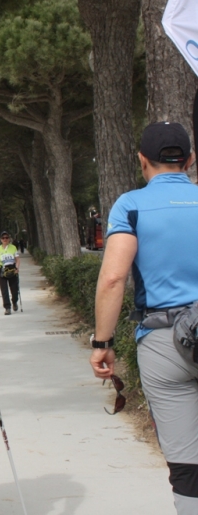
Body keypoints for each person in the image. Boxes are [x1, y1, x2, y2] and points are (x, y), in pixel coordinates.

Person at [92, 122, 198, 514]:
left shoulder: (131, 206)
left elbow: (113, 278)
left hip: (164, 341)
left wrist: (103, 343)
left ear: (142, 161)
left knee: (187, 466)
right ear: (190, 160)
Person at [0, 231, 20, 315]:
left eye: (6, 237)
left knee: (14, 289)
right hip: (2, 271)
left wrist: (17, 268)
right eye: (3, 238)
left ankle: (14, 301)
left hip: (12, 269)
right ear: (0, 239)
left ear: (9, 239)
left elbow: (17, 259)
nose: (5, 239)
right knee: (4, 290)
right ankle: (7, 307)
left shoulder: (13, 248)